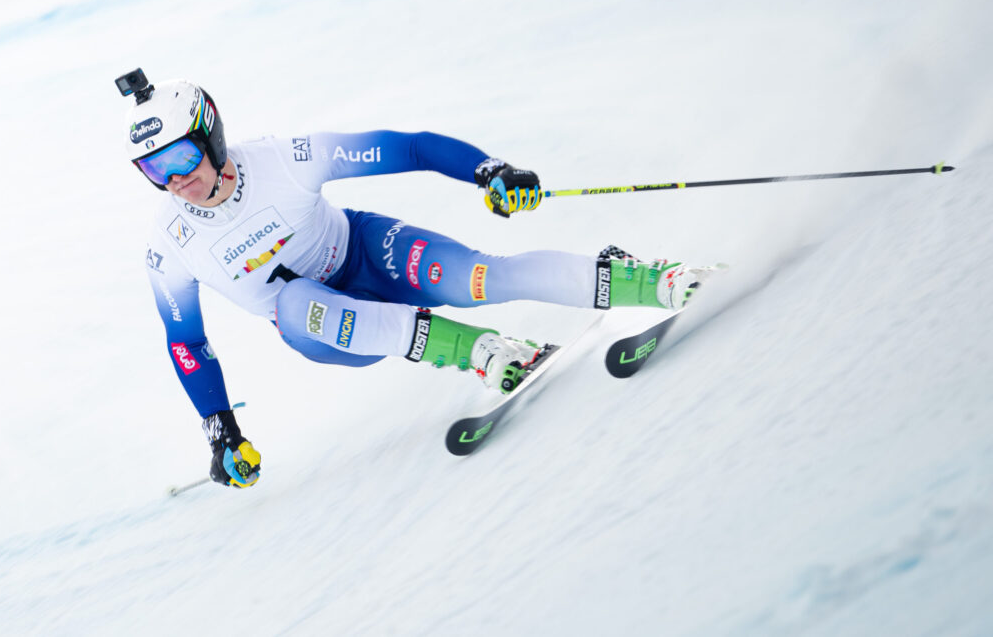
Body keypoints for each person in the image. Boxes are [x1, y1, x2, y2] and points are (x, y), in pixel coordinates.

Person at [119, 70, 714, 489]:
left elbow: (412, 148)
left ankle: (649, 281)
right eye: (152, 167)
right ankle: (484, 352)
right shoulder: (170, 245)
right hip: (327, 331)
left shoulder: (282, 158)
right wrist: (221, 430)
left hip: (368, 251)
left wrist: (489, 171)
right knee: (296, 303)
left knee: (484, 278)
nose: (171, 179)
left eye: (178, 157)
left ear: (210, 133)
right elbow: (185, 343)